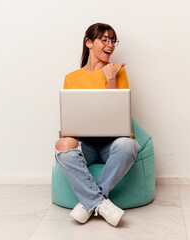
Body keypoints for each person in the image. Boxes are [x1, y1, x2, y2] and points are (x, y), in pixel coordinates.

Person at [54, 23, 139, 227]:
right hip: (87, 145)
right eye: (104, 39)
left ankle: (89, 204)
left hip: (113, 144)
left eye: (113, 40)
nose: (110, 44)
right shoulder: (71, 78)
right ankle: (101, 204)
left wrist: (111, 79)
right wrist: (67, 130)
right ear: (89, 42)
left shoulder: (118, 71)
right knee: (63, 144)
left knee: (129, 146)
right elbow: (72, 114)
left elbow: (117, 114)